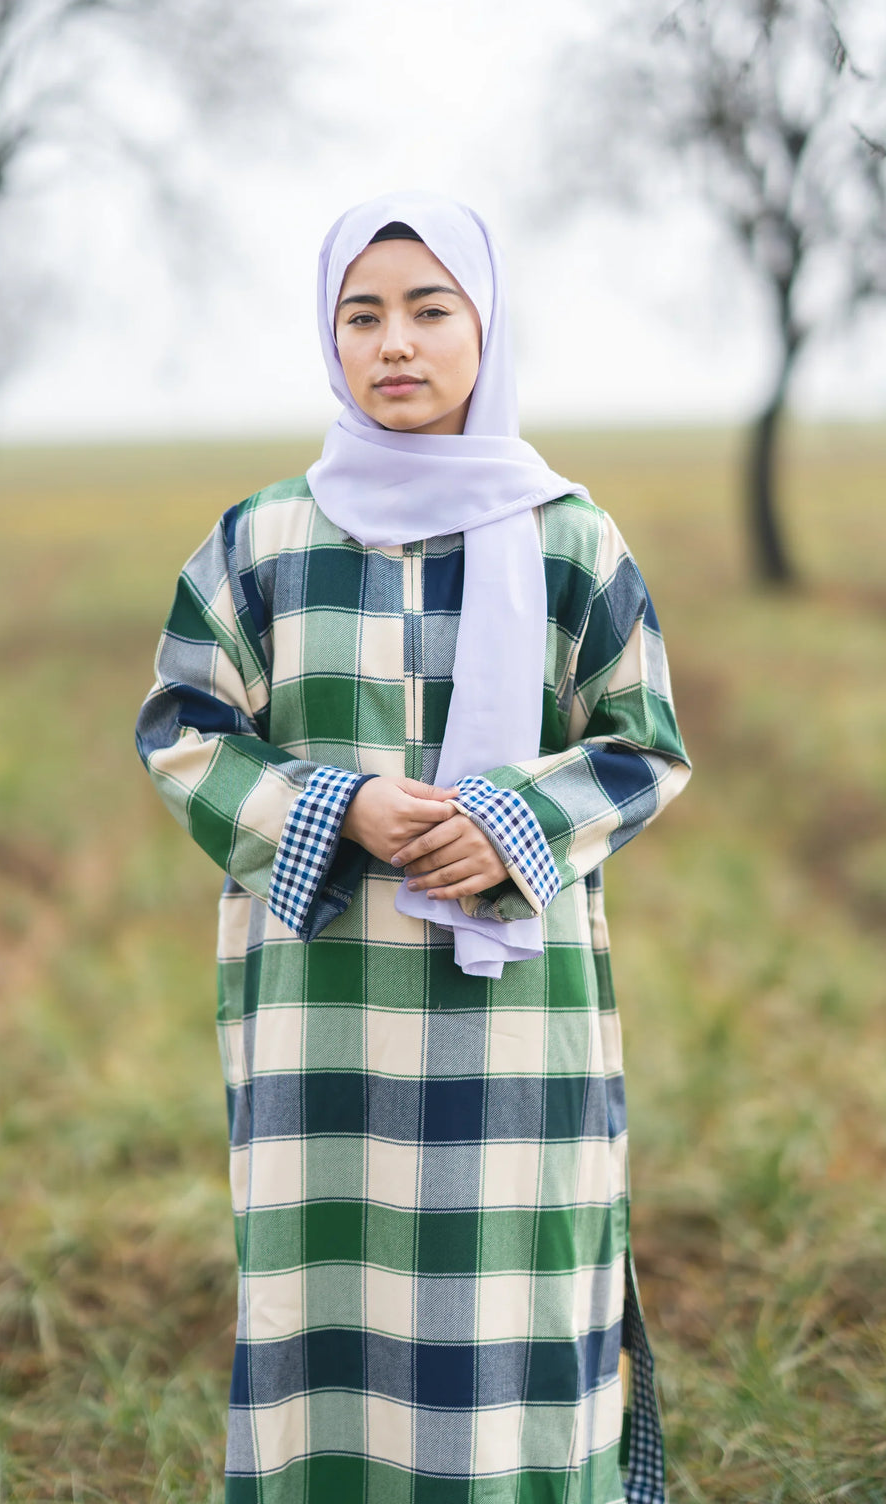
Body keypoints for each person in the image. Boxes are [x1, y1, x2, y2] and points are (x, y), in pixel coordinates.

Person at [135, 191, 691, 1504]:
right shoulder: (261, 539)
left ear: (484, 328)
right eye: (361, 314)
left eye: (430, 310)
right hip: (326, 1021)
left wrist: (513, 821)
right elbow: (183, 728)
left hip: (511, 1040)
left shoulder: (570, 540)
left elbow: (643, 745)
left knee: (515, 1326)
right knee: (328, 1320)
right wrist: (337, 810)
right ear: (327, 339)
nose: (396, 343)